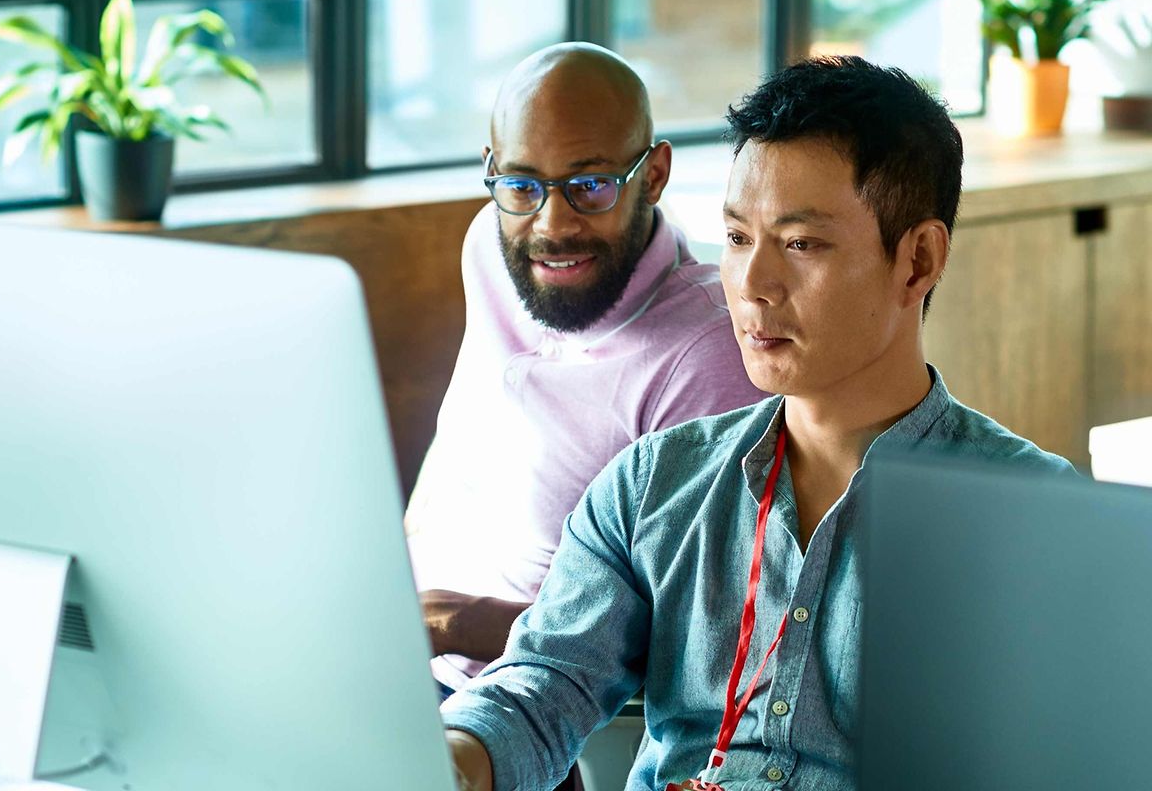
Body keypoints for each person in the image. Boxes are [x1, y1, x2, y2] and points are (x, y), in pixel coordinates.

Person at [440, 55, 1079, 791]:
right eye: (739, 238)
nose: (752, 284)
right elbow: (543, 687)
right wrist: (453, 761)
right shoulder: (652, 485)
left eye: (801, 243)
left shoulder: (1032, 515)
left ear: (917, 261)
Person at [404, 43, 764, 697]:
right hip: (401, 661)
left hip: (528, 713)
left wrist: (452, 624)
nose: (551, 224)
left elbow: (698, 638)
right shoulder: (491, 243)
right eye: (521, 185)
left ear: (653, 176)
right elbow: (458, 446)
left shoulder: (710, 353)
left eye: (589, 185)